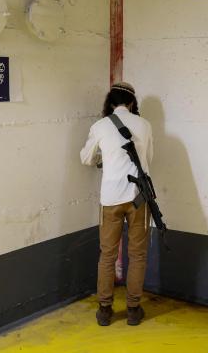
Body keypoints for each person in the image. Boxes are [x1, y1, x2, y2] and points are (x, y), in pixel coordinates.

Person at [80, 81, 154, 326]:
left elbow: (87, 158)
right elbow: (148, 159)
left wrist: (106, 155)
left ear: (111, 102)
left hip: (110, 198)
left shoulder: (100, 126)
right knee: (138, 255)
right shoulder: (144, 125)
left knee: (107, 255)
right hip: (138, 198)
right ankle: (133, 310)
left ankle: (104, 310)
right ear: (132, 102)